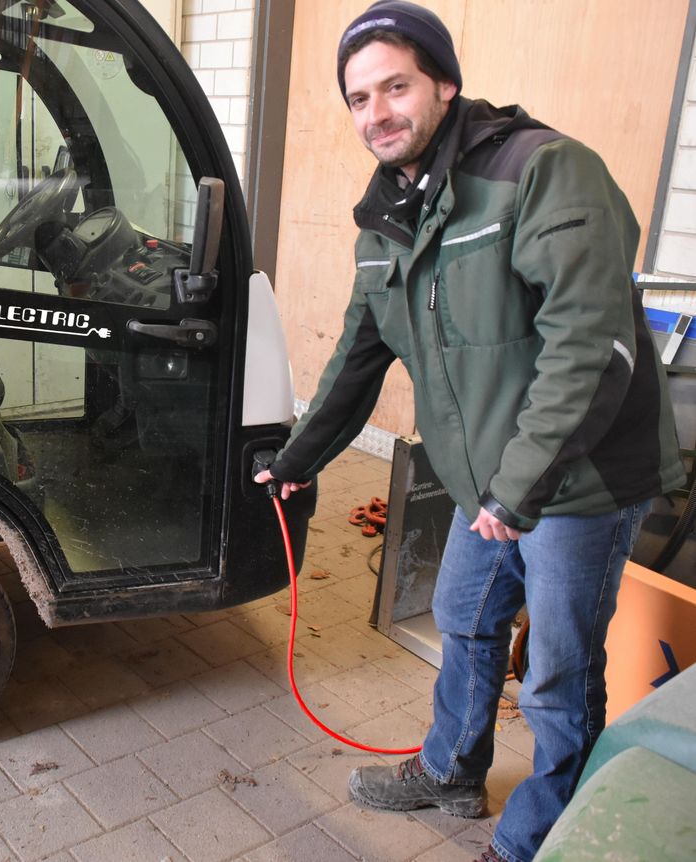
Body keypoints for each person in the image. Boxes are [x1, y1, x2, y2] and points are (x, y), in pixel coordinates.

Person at [255, 2, 686, 861]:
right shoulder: (383, 215)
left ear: (444, 84)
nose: (374, 112)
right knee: (463, 613)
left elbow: (591, 348)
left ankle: (538, 835)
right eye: (357, 97)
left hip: (582, 481)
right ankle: (451, 770)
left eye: (395, 86)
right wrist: (299, 459)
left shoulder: (543, 173)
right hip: (489, 483)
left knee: (559, 669)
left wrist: (515, 492)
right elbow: (357, 353)